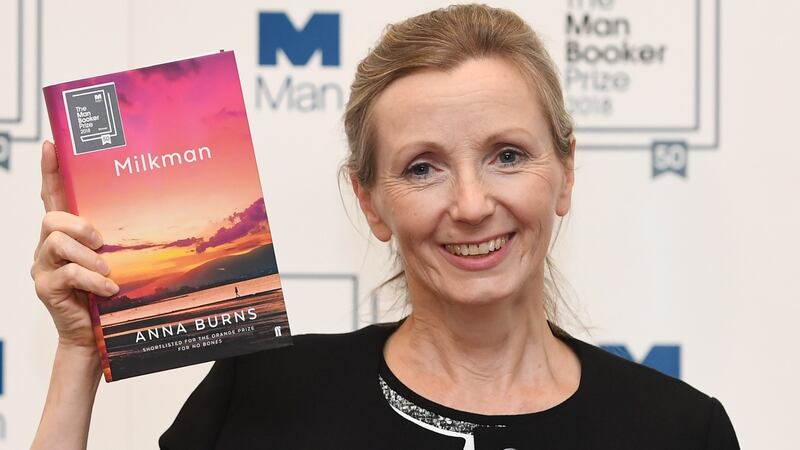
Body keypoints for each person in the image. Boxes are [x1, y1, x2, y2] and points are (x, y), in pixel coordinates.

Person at [30, 5, 739, 449]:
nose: (469, 205)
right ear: (370, 203)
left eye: (508, 155)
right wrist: (79, 351)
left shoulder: (680, 431)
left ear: (566, 172)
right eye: (423, 168)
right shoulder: (262, 389)